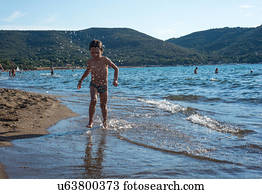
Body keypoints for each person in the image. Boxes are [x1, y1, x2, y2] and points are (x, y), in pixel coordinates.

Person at [77, 40, 119, 128]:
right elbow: (87, 71)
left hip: (104, 85)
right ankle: (90, 121)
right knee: (93, 100)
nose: (95, 54)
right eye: (92, 52)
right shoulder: (90, 61)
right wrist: (80, 80)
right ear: (90, 51)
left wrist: (115, 80)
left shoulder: (105, 59)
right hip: (94, 84)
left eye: (97, 52)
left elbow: (116, 68)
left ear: (101, 51)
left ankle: (104, 122)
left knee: (103, 105)